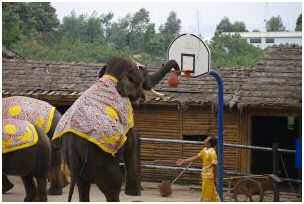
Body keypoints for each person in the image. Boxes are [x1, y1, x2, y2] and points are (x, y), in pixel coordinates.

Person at [176, 136, 220, 202]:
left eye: (207, 139)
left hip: (209, 177)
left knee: (206, 195)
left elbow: (215, 167)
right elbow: (196, 157)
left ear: (209, 143)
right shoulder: (204, 150)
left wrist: (215, 179)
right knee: (212, 195)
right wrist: (184, 161)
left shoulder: (212, 153)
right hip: (205, 176)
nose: (205, 139)